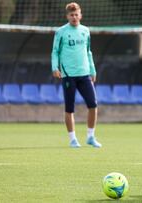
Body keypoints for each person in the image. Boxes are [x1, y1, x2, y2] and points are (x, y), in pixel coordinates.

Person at [51, 2, 101, 148]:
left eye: (76, 14)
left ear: (80, 15)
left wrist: (92, 70)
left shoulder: (85, 31)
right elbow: (55, 51)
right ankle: (73, 139)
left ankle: (90, 137)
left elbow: (88, 51)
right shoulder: (61, 32)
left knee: (93, 104)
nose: (74, 17)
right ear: (67, 16)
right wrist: (55, 67)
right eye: (71, 15)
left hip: (84, 74)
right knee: (69, 108)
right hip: (68, 75)